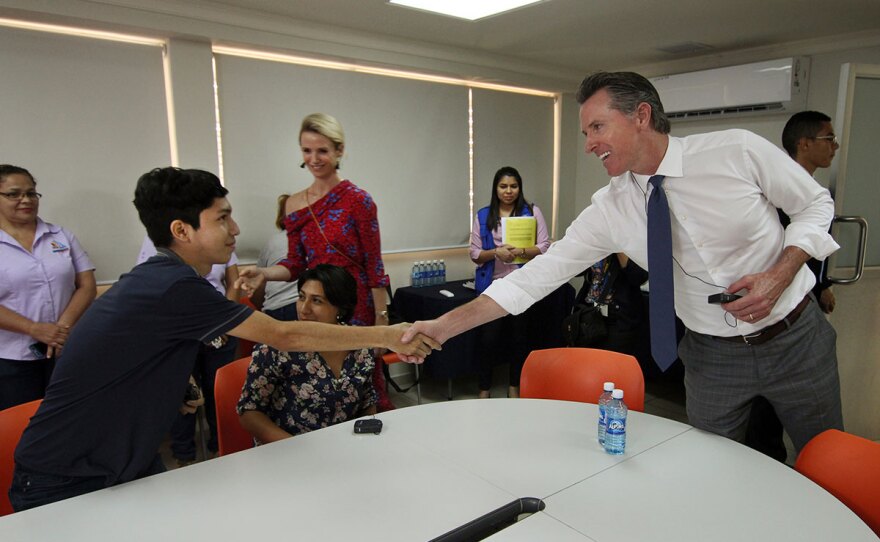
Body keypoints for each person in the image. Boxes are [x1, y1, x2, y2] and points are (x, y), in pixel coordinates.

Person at [402, 72, 842, 456]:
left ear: (642, 116)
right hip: (712, 356)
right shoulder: (610, 209)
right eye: (585, 132)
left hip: (796, 337)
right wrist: (444, 326)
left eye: (597, 126)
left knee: (826, 458)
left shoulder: (737, 152)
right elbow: (535, 277)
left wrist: (781, 272)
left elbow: (814, 203)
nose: (590, 143)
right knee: (712, 464)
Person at [9, 167, 437, 512]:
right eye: (221, 217)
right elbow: (283, 334)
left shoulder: (163, 280)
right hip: (65, 476)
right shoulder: (174, 285)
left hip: (126, 459)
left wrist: (179, 384)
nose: (235, 228)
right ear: (182, 229)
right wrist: (389, 332)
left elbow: (130, 354)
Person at [237, 113, 394, 411]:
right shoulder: (294, 204)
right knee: (318, 384)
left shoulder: (359, 200)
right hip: (316, 304)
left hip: (355, 304)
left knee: (362, 385)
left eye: (322, 150)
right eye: (307, 151)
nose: (314, 158)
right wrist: (264, 273)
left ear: (339, 151)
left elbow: (374, 267)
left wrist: (381, 321)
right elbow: (295, 263)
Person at [745, 110, 842, 462]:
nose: (835, 147)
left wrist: (823, 284)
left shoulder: (816, 194)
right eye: (828, 139)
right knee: (764, 412)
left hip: (803, 306)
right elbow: (778, 255)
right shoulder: (774, 192)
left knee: (816, 424)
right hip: (770, 311)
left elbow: (811, 245)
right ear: (804, 143)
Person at [237, 264, 377, 444]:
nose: (304, 309)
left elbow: (367, 403)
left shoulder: (360, 346)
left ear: (340, 308)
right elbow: (249, 413)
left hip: (342, 449)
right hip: (289, 453)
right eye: (301, 297)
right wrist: (296, 448)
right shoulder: (276, 348)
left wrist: (363, 441)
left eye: (317, 300)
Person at [137, 235, 241, 466]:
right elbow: (150, 286)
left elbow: (234, 282)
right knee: (181, 392)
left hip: (219, 325)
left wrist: (225, 321)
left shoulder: (214, 233)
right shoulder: (155, 238)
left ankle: (221, 448)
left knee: (220, 391)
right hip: (180, 329)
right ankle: (184, 454)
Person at [0, 164, 96, 411]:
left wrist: (61, 329)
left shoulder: (59, 235)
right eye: (14, 194)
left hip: (64, 349)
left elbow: (86, 284)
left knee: (67, 419)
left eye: (31, 193)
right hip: (11, 358)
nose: (26, 200)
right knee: (22, 427)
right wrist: (34, 329)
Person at [469, 166, 550, 398]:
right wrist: (496, 252)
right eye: (503, 186)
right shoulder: (484, 215)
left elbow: (544, 246)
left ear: (519, 187)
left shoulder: (531, 211)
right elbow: (475, 253)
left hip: (522, 286)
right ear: (495, 189)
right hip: (492, 288)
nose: (508, 191)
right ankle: (484, 389)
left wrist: (522, 251)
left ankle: (514, 386)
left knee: (519, 339)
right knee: (488, 340)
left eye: (513, 186)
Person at [573, 253, 648, 357]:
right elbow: (574, 270)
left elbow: (639, 276)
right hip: (589, 316)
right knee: (586, 366)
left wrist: (617, 245)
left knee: (612, 369)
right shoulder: (595, 240)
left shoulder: (631, 240)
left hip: (620, 319)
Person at [249, 194, 299, 322]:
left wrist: (264, 308)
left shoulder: (273, 242)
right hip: (310, 308)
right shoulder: (318, 241)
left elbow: (257, 287)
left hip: (276, 308)